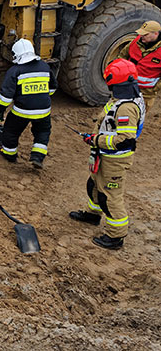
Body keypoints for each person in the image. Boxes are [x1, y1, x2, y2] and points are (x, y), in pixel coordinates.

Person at [69, 59, 145, 250]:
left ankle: (116, 236)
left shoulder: (126, 107)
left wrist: (96, 140)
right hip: (103, 154)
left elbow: (126, 139)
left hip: (114, 159)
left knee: (109, 196)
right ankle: (93, 215)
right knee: (93, 185)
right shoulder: (123, 97)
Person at [0, 38, 57, 169]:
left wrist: (0, 110)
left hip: (21, 111)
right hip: (44, 111)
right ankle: (37, 156)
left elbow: (6, 95)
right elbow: (52, 87)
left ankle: (9, 154)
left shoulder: (15, 71)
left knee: (11, 131)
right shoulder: (45, 66)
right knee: (43, 132)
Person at [119, 20, 161, 112]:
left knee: (137, 116)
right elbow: (122, 56)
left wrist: (154, 89)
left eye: (145, 34)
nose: (141, 36)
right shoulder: (136, 41)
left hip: (146, 94)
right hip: (127, 86)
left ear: (156, 34)